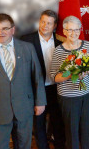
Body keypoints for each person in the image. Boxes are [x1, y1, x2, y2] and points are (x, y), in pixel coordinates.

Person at [0, 13, 46, 149]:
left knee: (24, 146)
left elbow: (37, 76)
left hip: (24, 108)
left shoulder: (27, 48)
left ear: (12, 30)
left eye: (5, 28)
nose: (0, 32)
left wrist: (41, 101)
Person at [50, 16, 89, 149]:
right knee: (72, 131)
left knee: (88, 128)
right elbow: (54, 76)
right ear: (64, 31)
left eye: (76, 30)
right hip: (68, 97)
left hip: (88, 94)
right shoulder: (59, 50)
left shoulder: (87, 45)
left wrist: (88, 71)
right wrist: (71, 74)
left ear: (80, 30)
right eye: (70, 30)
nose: (73, 33)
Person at [20, 10, 65, 149]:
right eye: (43, 21)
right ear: (39, 21)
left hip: (56, 89)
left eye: (49, 23)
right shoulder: (26, 40)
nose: (45, 25)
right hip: (36, 89)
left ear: (55, 25)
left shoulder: (60, 44)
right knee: (39, 123)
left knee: (58, 122)